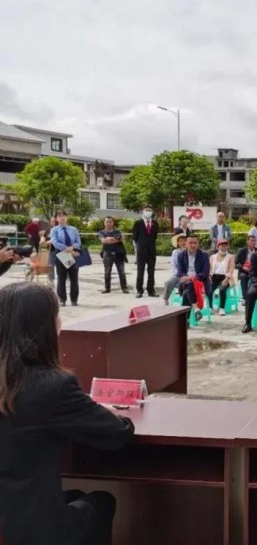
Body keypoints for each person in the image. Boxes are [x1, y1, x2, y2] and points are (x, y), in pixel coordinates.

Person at [0, 282, 135, 545]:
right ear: (45, 328)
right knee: (101, 502)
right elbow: (118, 433)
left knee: (73, 496)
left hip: (9, 517)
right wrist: (99, 410)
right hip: (27, 529)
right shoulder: (50, 385)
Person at [50, 210, 82, 307]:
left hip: (73, 253)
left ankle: (74, 299)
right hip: (61, 254)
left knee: (74, 278)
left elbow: (78, 242)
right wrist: (66, 248)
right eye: (59, 216)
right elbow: (55, 242)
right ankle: (62, 299)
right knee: (61, 278)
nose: (62, 217)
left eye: (64, 215)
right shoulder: (54, 230)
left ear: (67, 217)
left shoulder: (73, 229)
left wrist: (71, 248)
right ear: (56, 219)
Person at [176, 235, 211, 322]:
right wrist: (186, 278)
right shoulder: (181, 255)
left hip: (200, 282)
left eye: (195, 243)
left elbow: (205, 273)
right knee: (189, 285)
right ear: (186, 244)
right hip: (185, 282)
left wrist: (191, 278)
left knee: (187, 292)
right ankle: (196, 309)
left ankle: (185, 321)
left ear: (198, 244)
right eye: (190, 243)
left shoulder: (204, 255)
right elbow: (180, 272)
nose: (193, 245)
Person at [132, 205, 158, 298]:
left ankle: (151, 290)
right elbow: (135, 237)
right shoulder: (138, 223)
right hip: (141, 250)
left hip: (151, 250)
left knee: (151, 271)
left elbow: (155, 236)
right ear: (142, 211)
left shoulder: (155, 223)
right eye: (146, 210)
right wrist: (141, 245)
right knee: (140, 271)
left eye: (150, 210)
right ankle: (139, 290)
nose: (148, 211)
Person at [98, 216, 128, 294]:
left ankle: (124, 288)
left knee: (121, 272)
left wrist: (109, 239)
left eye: (110, 222)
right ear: (104, 223)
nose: (108, 223)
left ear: (113, 222)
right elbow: (104, 241)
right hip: (107, 254)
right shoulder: (102, 232)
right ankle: (107, 288)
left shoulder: (117, 231)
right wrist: (114, 239)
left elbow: (120, 239)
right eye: (107, 222)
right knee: (107, 272)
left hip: (119, 253)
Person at [209, 238, 235, 315]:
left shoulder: (230, 257)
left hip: (225, 277)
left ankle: (221, 308)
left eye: (225, 245)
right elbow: (209, 268)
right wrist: (209, 277)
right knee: (209, 289)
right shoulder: (212, 257)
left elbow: (231, 269)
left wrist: (226, 279)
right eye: (221, 245)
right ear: (218, 247)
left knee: (222, 290)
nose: (223, 247)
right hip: (214, 276)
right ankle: (210, 307)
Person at [163, 233, 187, 304]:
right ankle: (166, 299)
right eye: (180, 241)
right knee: (168, 282)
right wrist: (179, 275)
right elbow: (174, 265)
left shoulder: (190, 251)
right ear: (178, 243)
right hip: (178, 273)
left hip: (188, 273)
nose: (183, 243)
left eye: (184, 241)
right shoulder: (175, 252)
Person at [235, 234, 257, 304]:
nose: (253, 242)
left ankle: (253, 297)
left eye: (254, 241)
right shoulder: (241, 251)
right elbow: (236, 264)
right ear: (247, 242)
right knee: (243, 277)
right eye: (252, 241)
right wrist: (243, 267)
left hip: (255, 271)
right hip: (244, 271)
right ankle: (244, 298)